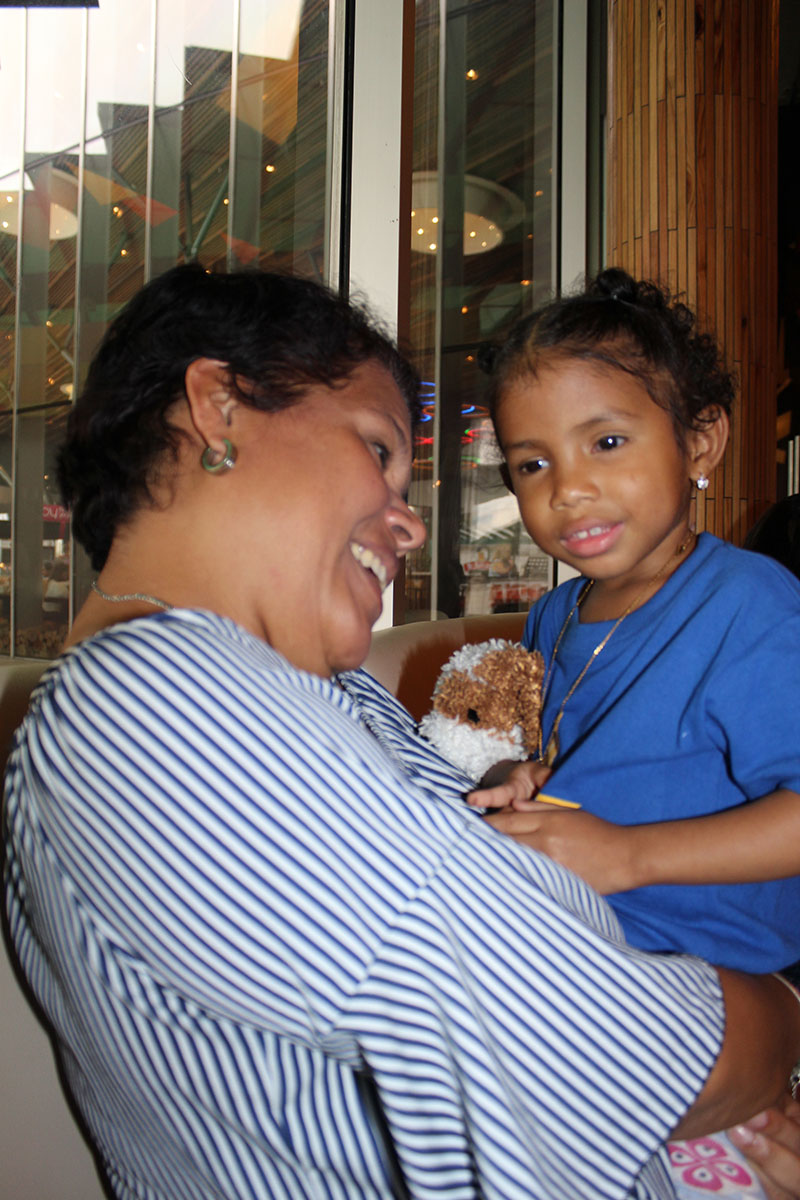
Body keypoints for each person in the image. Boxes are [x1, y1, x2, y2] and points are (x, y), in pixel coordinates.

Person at [2, 263, 800, 1200]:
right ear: (219, 407)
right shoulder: (161, 706)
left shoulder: (285, 689)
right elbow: (624, 1061)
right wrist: (784, 1010)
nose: (410, 525)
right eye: (379, 449)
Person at [467, 267, 800, 981]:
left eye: (608, 442)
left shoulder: (747, 604)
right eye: (533, 463)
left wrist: (627, 855)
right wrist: (516, 777)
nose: (568, 489)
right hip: (570, 928)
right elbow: (551, 756)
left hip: (703, 966)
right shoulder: (553, 616)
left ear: (700, 443)